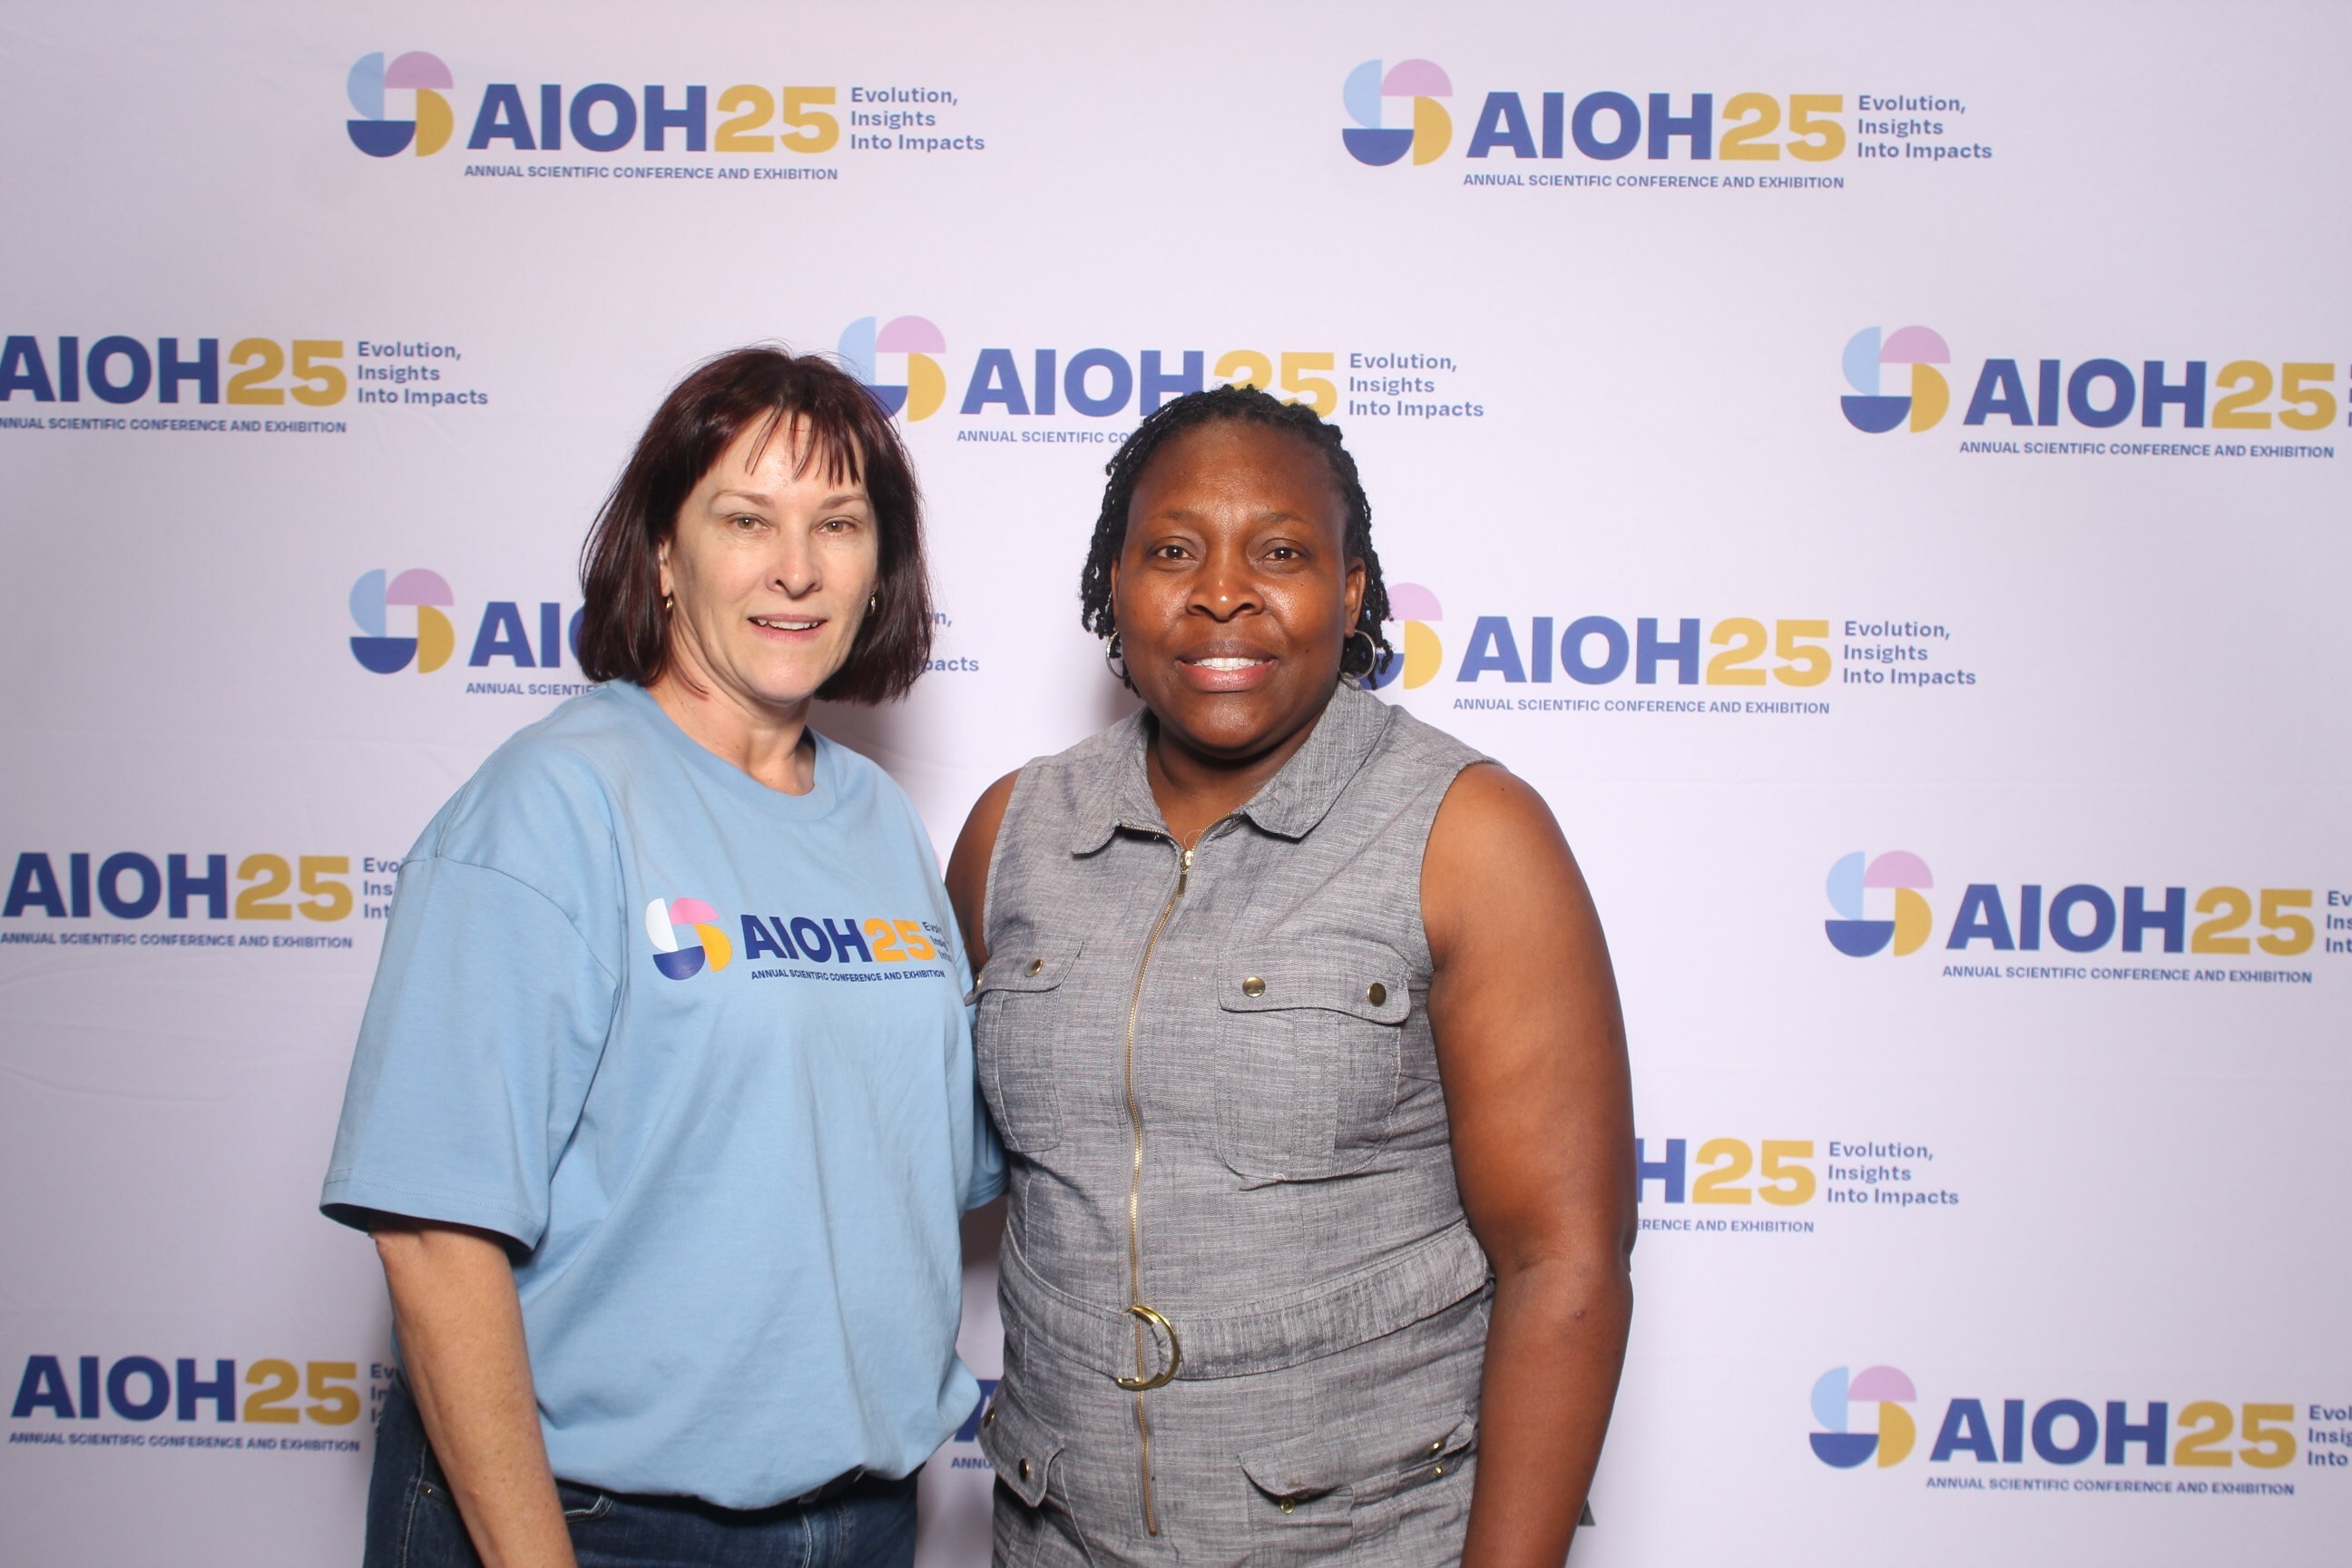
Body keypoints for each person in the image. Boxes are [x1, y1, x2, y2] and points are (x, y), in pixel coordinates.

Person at [320, 348, 1002, 1568]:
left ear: (879, 567)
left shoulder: (878, 820)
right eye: (746, 519)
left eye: (838, 523)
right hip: (595, 1523)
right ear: (663, 557)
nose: (796, 567)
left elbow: (920, 1164)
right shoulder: (552, 804)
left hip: (855, 1518)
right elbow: (432, 1235)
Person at [946, 385, 1634, 1567]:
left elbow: (1562, 1263)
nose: (1223, 592)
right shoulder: (1015, 829)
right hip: (1053, 1536)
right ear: (1114, 582)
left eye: (1280, 552)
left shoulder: (1471, 835)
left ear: (1353, 590)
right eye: (1173, 551)